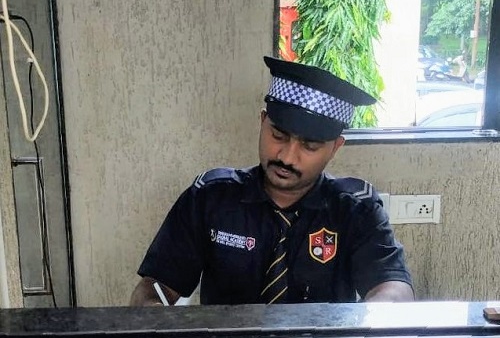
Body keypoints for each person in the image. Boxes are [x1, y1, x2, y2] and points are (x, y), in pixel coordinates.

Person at [130, 56, 414, 306]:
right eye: (278, 135)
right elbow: (154, 288)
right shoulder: (209, 199)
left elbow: (393, 288)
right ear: (262, 121)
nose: (287, 157)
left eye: (309, 146)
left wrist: (378, 313)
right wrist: (154, 313)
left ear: (335, 148)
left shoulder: (355, 210)